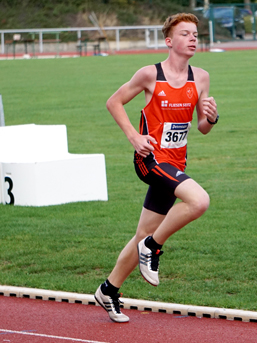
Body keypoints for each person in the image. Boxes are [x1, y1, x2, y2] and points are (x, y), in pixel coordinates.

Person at [94, 12, 219, 323]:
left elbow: (202, 127)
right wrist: (134, 136)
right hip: (149, 159)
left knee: (142, 232)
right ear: (169, 41)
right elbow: (114, 101)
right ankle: (153, 247)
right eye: (186, 33)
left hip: (175, 163)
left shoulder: (200, 77)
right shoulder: (150, 74)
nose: (193, 38)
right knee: (199, 200)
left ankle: (108, 289)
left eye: (195, 34)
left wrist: (212, 117)